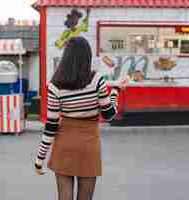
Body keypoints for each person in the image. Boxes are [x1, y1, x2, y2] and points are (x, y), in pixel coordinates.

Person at [34, 37, 126, 200]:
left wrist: (40, 158)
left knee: (64, 196)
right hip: (89, 144)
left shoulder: (55, 85)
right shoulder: (97, 80)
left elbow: (51, 125)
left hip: (64, 144)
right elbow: (109, 114)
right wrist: (116, 90)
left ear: (66, 55)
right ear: (87, 57)